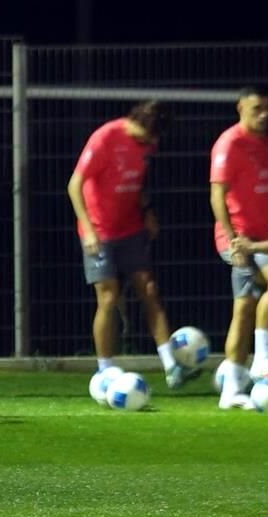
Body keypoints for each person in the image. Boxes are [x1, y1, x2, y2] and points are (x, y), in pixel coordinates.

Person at [66, 100, 198, 389]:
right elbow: (75, 184)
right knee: (108, 298)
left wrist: (147, 211)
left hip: (131, 228)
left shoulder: (147, 144)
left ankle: (171, 367)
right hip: (99, 231)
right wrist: (87, 230)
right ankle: (105, 370)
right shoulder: (105, 138)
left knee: (149, 290)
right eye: (145, 136)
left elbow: (136, 183)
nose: (148, 143)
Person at [210, 86, 268, 409]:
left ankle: (262, 359)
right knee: (244, 307)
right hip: (237, 239)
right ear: (240, 107)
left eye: (267, 109)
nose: (264, 115)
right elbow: (217, 195)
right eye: (257, 109)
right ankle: (235, 387)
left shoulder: (265, 145)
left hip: (260, 239)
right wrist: (233, 239)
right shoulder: (230, 143)